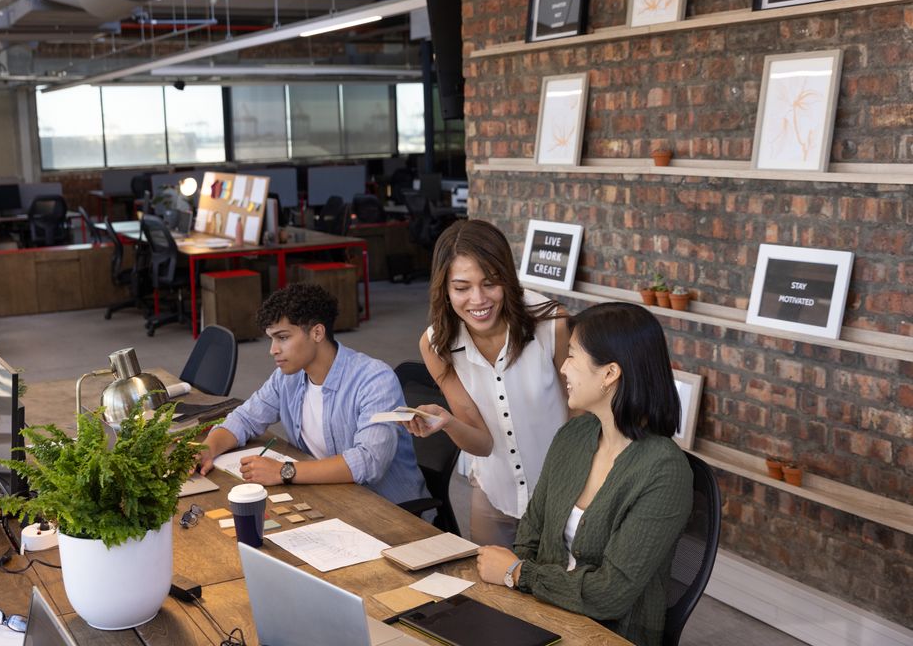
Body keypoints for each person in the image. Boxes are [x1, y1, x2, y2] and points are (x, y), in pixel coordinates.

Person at [475, 302, 693, 646]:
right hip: (544, 615)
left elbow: (611, 594)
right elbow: (529, 536)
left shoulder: (664, 472)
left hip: (611, 635)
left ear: (610, 373)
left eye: (573, 356)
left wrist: (518, 574)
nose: (563, 367)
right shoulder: (572, 437)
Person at [406, 219, 569, 546]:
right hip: (495, 494)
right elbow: (482, 443)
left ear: (507, 278)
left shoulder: (552, 324)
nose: (478, 300)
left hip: (562, 498)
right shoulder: (436, 344)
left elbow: (584, 420)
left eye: (490, 283)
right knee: (489, 592)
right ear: (445, 288)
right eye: (462, 287)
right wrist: (447, 422)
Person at [199, 282, 428, 506]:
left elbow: (369, 462)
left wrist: (283, 471)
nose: (273, 350)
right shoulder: (287, 377)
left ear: (317, 332)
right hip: (328, 497)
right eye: (272, 338)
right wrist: (207, 450)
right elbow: (245, 419)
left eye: (283, 337)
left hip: (387, 511)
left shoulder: (374, 379)